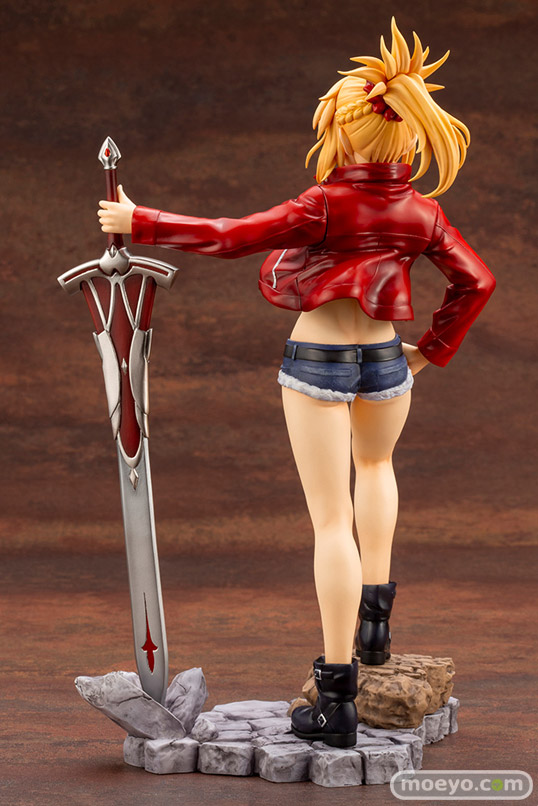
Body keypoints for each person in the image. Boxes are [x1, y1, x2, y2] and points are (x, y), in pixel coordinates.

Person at [97, 18, 495, 748]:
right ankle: (374, 634)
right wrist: (432, 350)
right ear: (409, 136)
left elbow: (231, 235)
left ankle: (337, 698)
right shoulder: (422, 210)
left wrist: (139, 219)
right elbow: (477, 280)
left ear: (342, 132)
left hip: (319, 359)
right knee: (377, 470)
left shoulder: (325, 203)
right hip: (386, 359)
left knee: (331, 522)